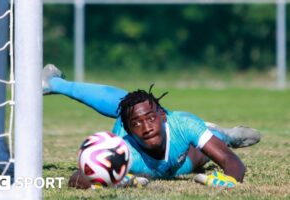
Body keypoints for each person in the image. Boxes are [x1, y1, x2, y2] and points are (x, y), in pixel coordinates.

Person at [42, 64, 261, 189]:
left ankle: (225, 135)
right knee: (128, 105)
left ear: (163, 116)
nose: (146, 127)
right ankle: (53, 83)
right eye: (136, 124)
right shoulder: (122, 148)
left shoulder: (182, 123)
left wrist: (230, 180)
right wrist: (109, 178)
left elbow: (231, 162)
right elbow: (78, 177)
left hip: (181, 157)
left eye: (151, 118)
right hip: (153, 152)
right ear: (127, 129)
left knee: (209, 148)